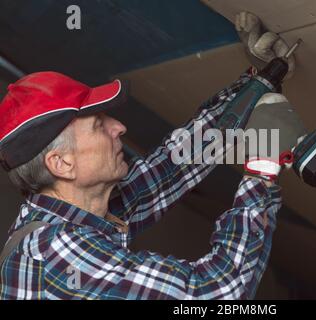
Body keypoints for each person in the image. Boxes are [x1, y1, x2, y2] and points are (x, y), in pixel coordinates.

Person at [0, 12, 300, 299]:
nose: (118, 127)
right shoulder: (54, 253)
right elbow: (216, 293)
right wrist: (262, 167)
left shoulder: (81, 209)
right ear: (62, 163)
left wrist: (257, 85)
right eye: (98, 125)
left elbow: (175, 165)